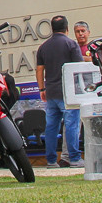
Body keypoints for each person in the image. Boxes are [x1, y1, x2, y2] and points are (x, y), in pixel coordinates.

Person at [35, 15, 84, 168]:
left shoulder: (43, 47)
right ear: (67, 28)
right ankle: (74, 159)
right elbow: (79, 69)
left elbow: (39, 70)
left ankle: (50, 160)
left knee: (51, 127)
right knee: (71, 125)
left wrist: (42, 88)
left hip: (51, 92)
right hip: (68, 93)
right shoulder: (71, 44)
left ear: (52, 29)